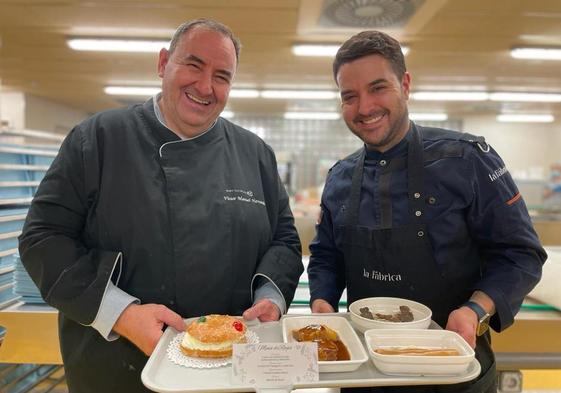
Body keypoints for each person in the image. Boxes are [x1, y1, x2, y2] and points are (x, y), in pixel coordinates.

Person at [19, 19, 303, 393]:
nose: (205, 87)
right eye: (193, 65)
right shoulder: (98, 139)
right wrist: (121, 314)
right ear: (163, 63)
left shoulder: (255, 154)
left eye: (222, 76)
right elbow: (43, 239)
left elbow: (283, 239)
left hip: (230, 368)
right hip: (118, 366)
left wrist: (270, 297)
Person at [307, 30, 546, 393]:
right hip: (366, 373)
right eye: (349, 96)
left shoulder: (467, 160)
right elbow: (326, 256)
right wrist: (322, 302)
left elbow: (520, 255)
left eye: (378, 88)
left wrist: (474, 311)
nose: (365, 107)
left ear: (405, 84)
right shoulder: (339, 177)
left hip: (453, 368)